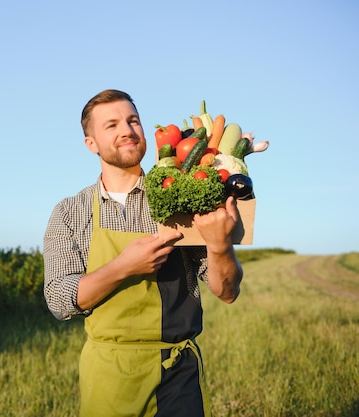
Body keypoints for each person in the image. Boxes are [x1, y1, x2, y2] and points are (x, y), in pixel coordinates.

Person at [43, 89, 243, 417]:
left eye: (132, 120)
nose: (127, 130)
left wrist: (220, 247)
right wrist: (123, 267)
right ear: (90, 143)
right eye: (111, 125)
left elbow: (227, 291)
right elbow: (59, 300)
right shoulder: (70, 212)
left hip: (175, 375)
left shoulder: (179, 197)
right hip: (107, 376)